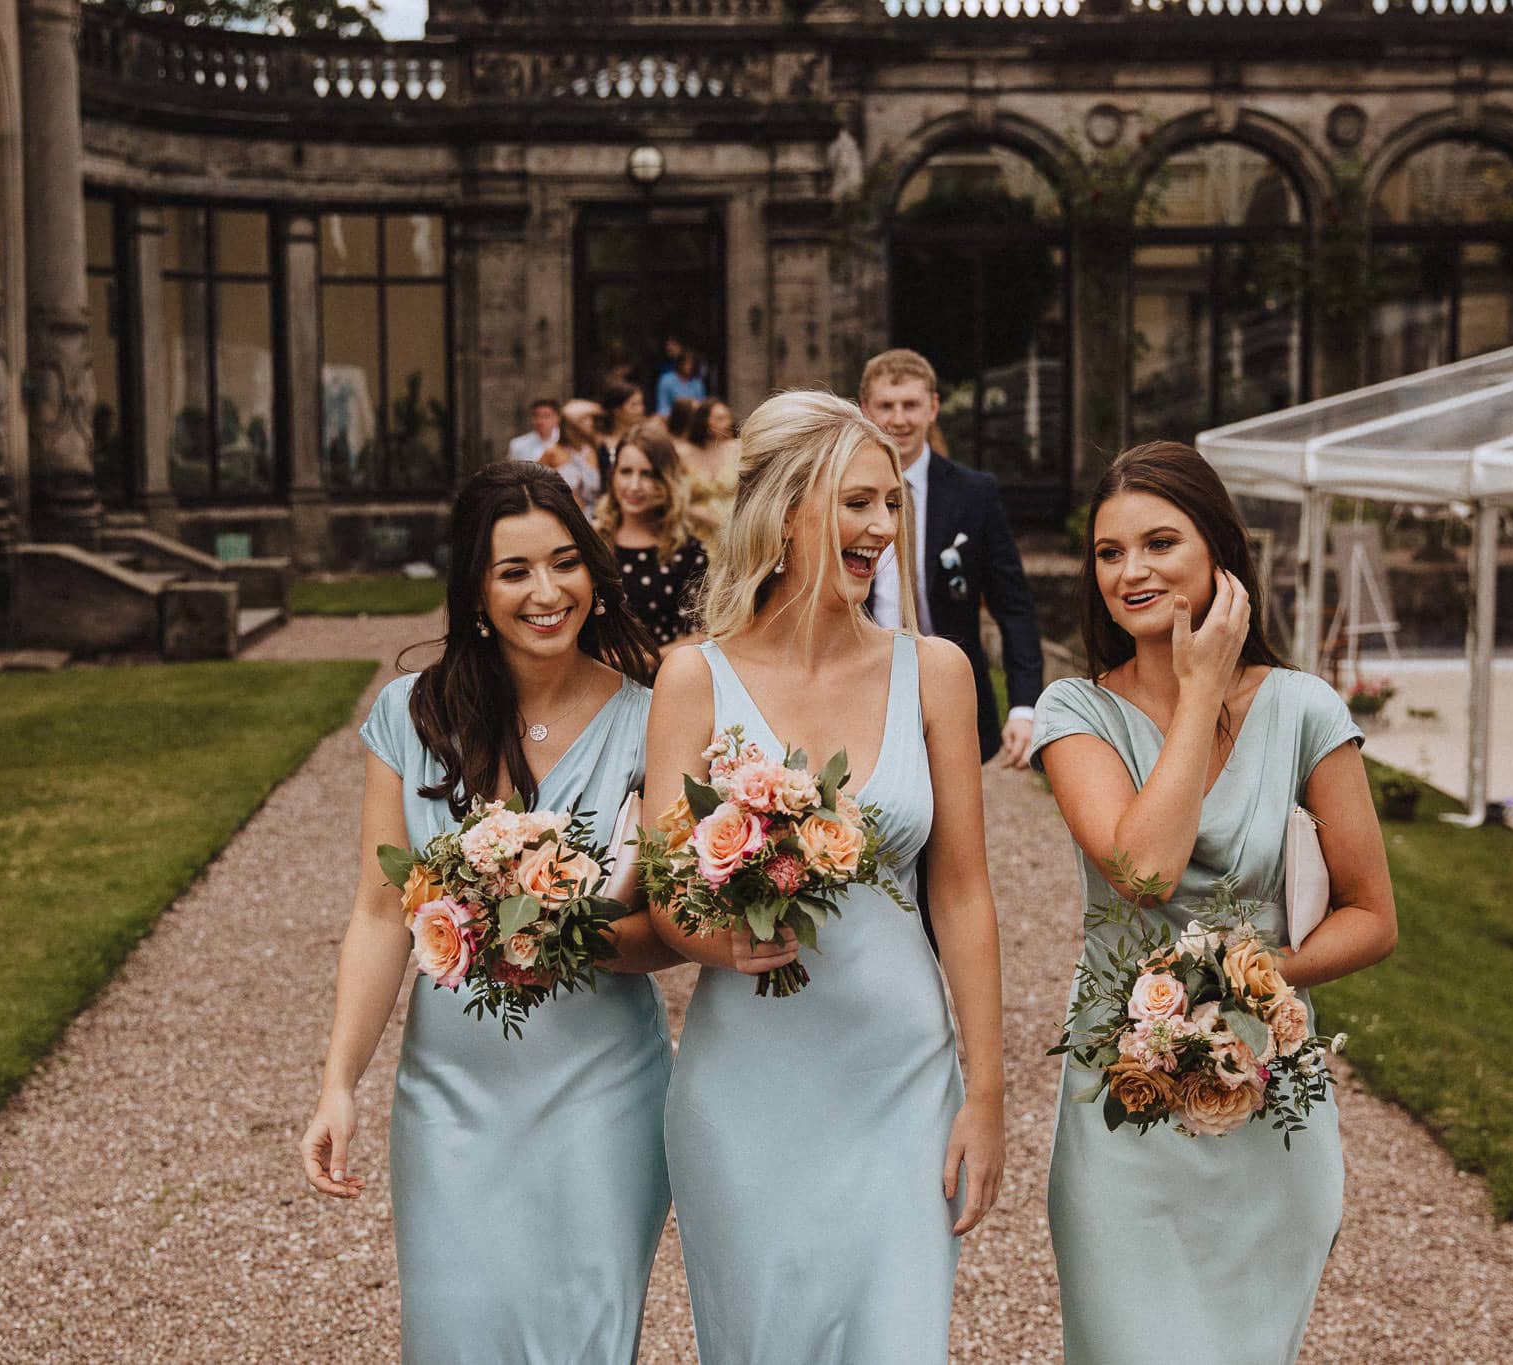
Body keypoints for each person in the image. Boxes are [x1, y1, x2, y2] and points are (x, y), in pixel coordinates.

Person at [644, 389, 1006, 1363]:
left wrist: (987, 1094)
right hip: (746, 1086)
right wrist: (722, 936)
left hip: (901, 1078)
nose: (883, 528)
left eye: (892, 504)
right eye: (857, 502)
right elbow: (666, 885)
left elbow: (962, 893)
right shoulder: (693, 679)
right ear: (786, 508)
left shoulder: (935, 672)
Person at [300, 462, 683, 1364]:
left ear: (593, 569)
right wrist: (338, 1084)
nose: (547, 592)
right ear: (476, 588)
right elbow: (379, 911)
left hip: (604, 1097)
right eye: (514, 571)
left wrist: (566, 937)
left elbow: (673, 934)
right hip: (451, 1103)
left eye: (564, 563)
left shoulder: (655, 716)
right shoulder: (409, 713)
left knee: (583, 1343)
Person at [1027, 443, 1398, 1365]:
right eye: (1110, 553)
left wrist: (1261, 975)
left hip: (1267, 1102)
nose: (1132, 571)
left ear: (1219, 554)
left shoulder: (1305, 708)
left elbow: (1372, 915)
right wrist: (1197, 691)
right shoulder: (1075, 710)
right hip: (1124, 1104)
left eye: (1160, 543)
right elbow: (1143, 872)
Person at [859, 348, 1044, 768]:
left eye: (911, 405)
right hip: (861, 685)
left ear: (933, 408)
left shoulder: (974, 493)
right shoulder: (839, 491)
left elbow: (1013, 606)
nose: (899, 419)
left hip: (948, 689)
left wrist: (1024, 707)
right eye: (887, 405)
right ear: (866, 409)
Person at [592, 419, 709, 656]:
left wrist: (648, 659)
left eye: (647, 474)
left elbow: (705, 632)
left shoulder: (687, 550)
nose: (634, 486)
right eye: (626, 472)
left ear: (666, 480)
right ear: (613, 475)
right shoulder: (592, 542)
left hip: (663, 681)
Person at [679, 397, 740, 547]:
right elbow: (673, 494)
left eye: (728, 418)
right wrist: (693, 511)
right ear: (704, 422)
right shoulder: (683, 453)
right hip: (696, 534)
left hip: (732, 532)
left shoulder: (738, 448)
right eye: (720, 419)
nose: (728, 423)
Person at [546, 399, 606, 514]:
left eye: (590, 419)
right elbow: (533, 483)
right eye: (584, 419)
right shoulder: (553, 452)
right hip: (563, 514)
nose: (590, 422)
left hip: (591, 516)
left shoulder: (592, 450)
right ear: (571, 425)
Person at [597, 381, 648, 492]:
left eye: (641, 404)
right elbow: (571, 413)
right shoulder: (601, 440)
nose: (641, 410)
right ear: (617, 410)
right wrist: (603, 409)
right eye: (634, 405)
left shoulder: (647, 437)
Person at [506, 397, 561, 464]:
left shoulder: (568, 442)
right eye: (536, 415)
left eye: (546, 416)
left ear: (557, 418)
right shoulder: (518, 444)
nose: (540, 421)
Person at [655, 349, 706, 417]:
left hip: (693, 420)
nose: (688, 366)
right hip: (671, 419)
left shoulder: (697, 384)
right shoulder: (666, 380)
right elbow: (662, 407)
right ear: (680, 363)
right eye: (686, 363)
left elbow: (701, 408)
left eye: (691, 363)